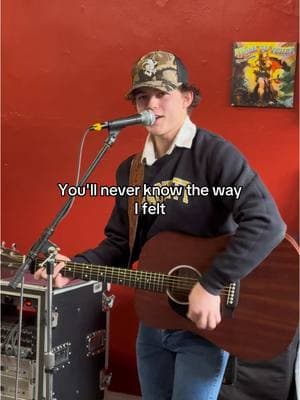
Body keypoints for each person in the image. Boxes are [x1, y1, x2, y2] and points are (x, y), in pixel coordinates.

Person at [35, 50, 286, 400]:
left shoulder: (214, 155)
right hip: (153, 321)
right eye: (142, 96)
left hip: (204, 328)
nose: (150, 103)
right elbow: (121, 245)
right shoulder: (131, 170)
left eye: (161, 94)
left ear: (186, 98)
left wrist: (212, 285)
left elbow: (267, 223)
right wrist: (75, 268)